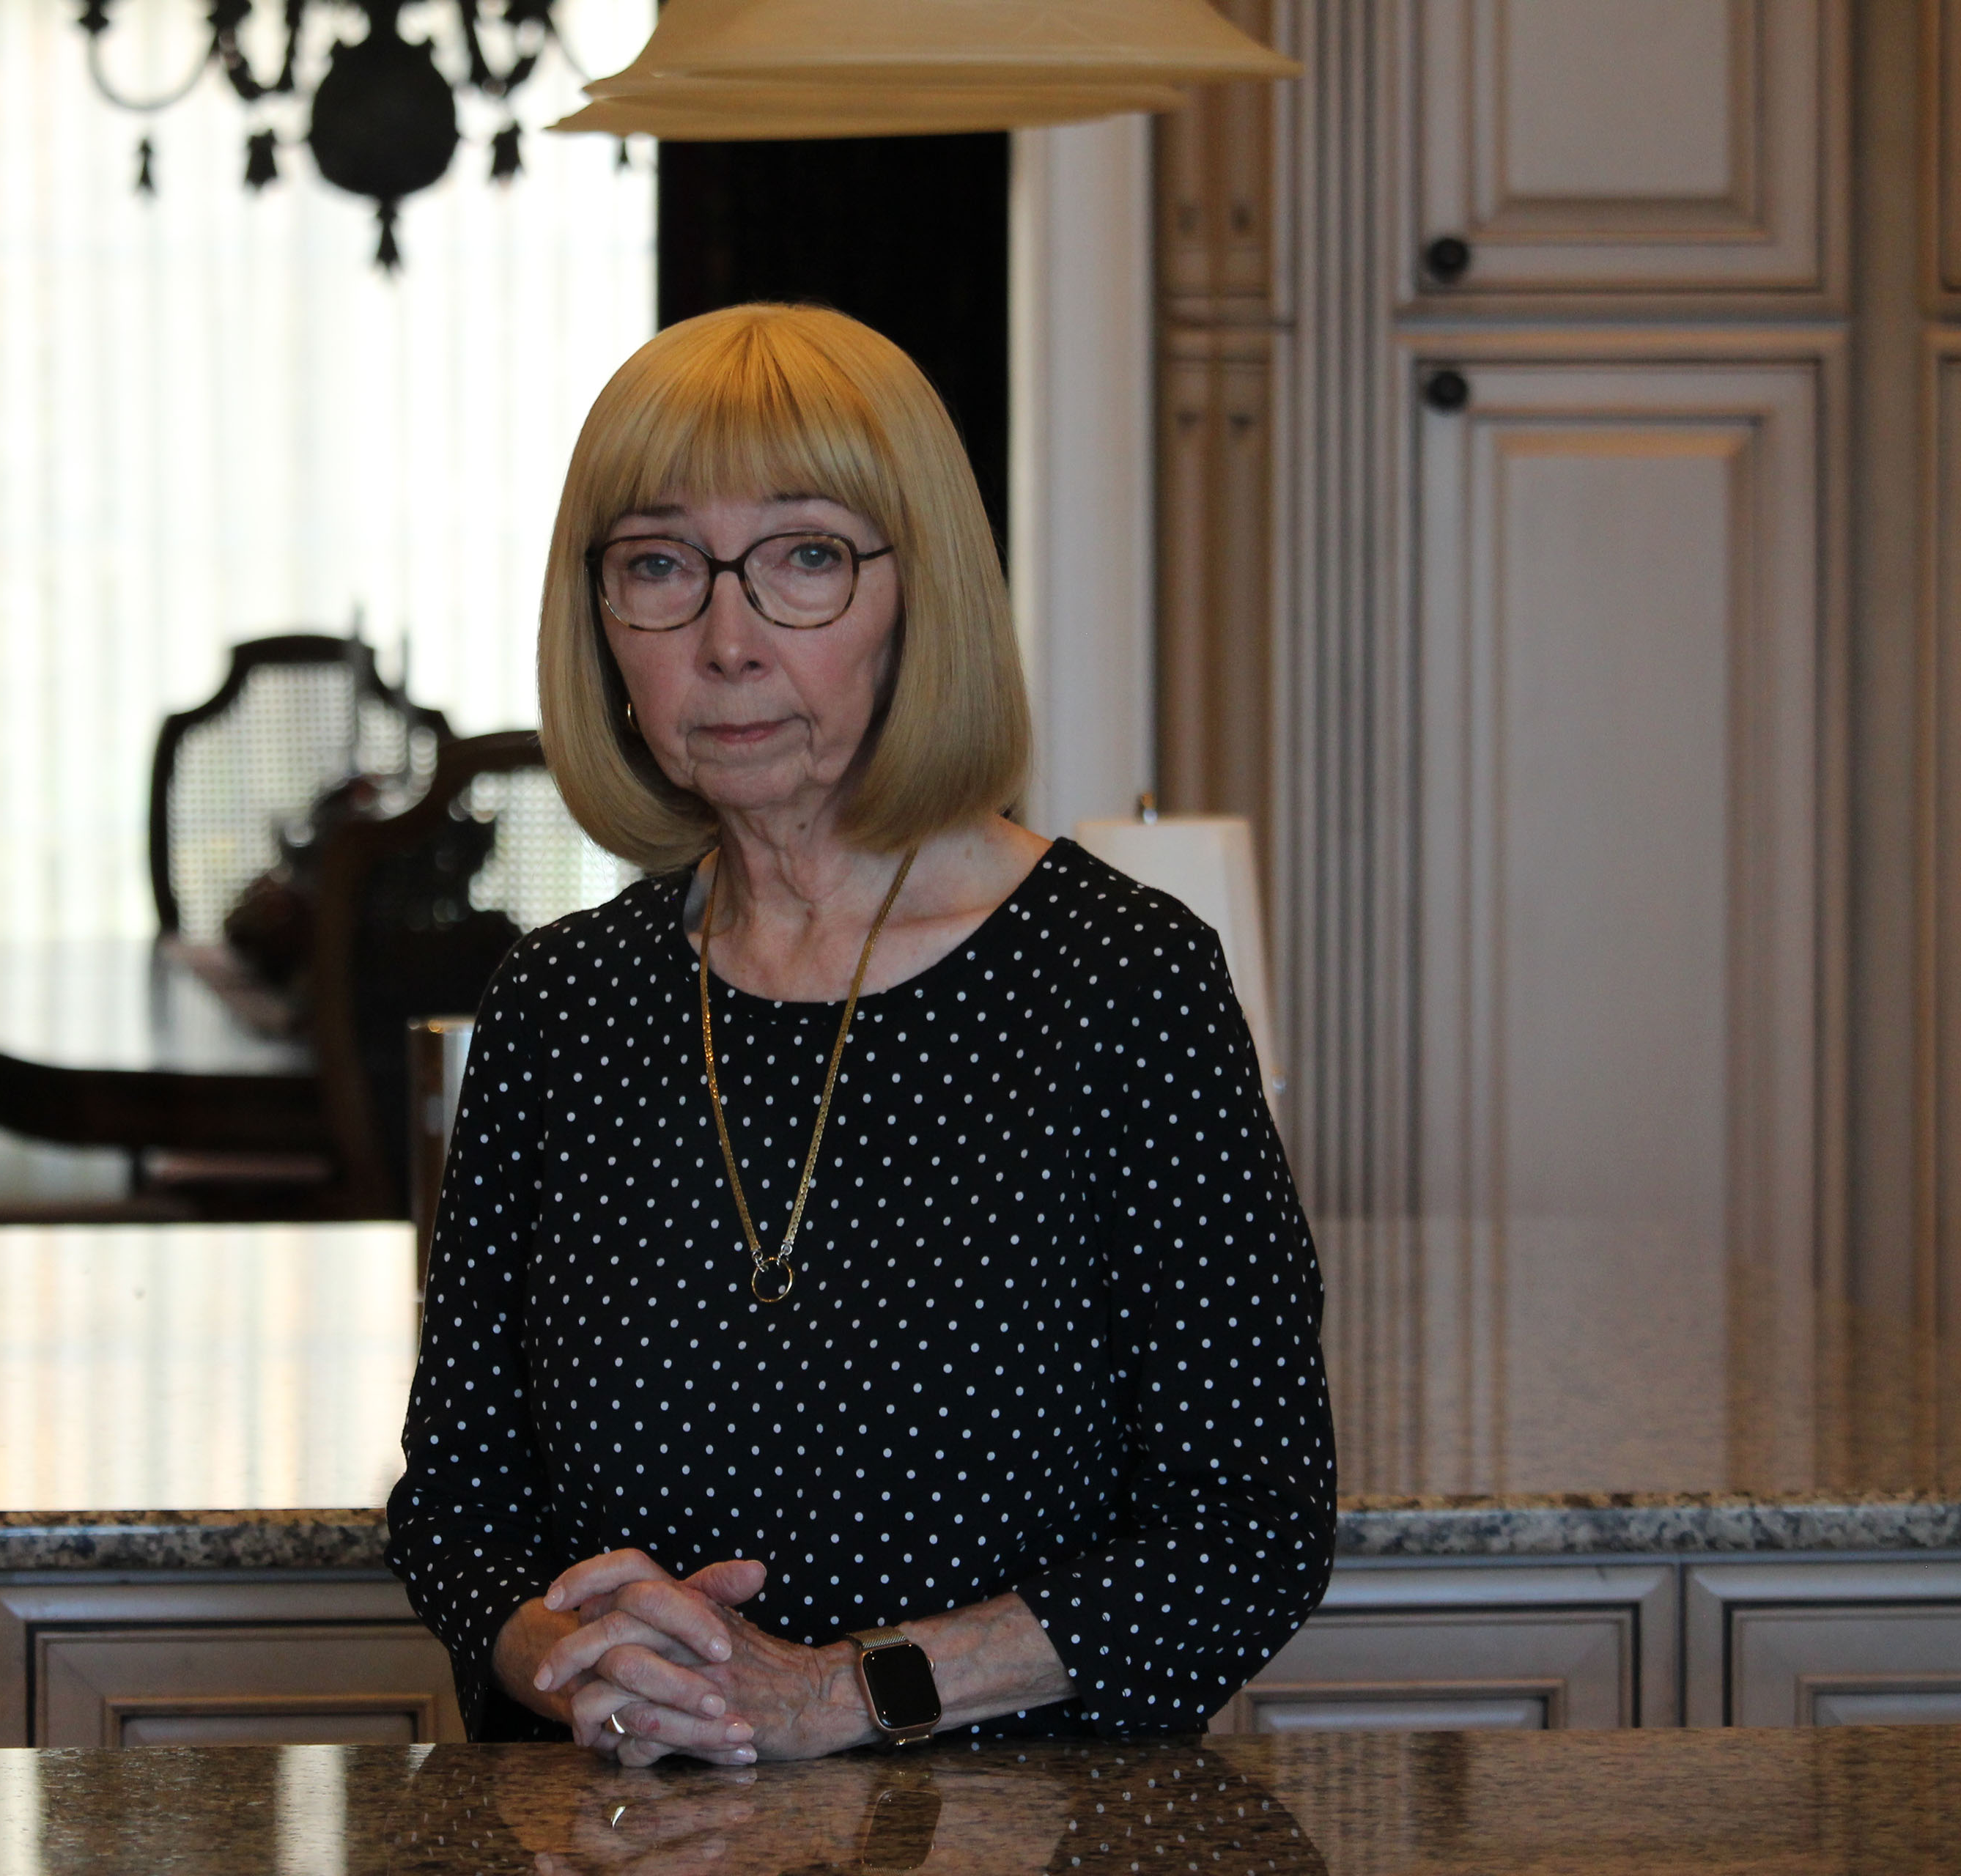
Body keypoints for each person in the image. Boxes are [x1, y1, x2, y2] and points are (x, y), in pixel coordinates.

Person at [385, 303, 1334, 1762]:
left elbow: (1246, 1533)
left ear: (922, 596)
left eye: (806, 559)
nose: (727, 640)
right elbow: (457, 1505)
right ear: (603, 627)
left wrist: (839, 1690)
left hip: (1015, 1838)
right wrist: (568, 1654)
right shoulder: (560, 1005)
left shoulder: (1122, 984)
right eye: (656, 567)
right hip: (628, 1828)